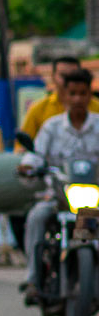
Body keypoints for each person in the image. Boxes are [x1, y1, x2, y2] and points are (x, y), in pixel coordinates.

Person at [20, 68, 99, 303]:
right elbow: (35, 156)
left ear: (89, 96)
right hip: (56, 199)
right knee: (36, 218)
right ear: (64, 95)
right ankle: (33, 280)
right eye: (72, 93)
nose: (77, 99)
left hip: (89, 205)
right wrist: (28, 166)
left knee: (89, 233)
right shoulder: (51, 128)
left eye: (82, 93)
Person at [20, 57, 99, 140]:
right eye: (63, 75)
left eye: (73, 76)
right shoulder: (39, 111)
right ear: (53, 77)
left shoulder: (97, 109)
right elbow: (24, 146)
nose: (69, 81)